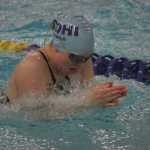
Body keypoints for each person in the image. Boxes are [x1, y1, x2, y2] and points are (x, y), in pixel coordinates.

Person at [6, 15, 127, 106]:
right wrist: (86, 101)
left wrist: (106, 97)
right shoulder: (32, 66)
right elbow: (34, 117)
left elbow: (87, 92)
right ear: (57, 48)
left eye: (86, 58)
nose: (80, 65)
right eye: (75, 58)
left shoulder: (82, 60)